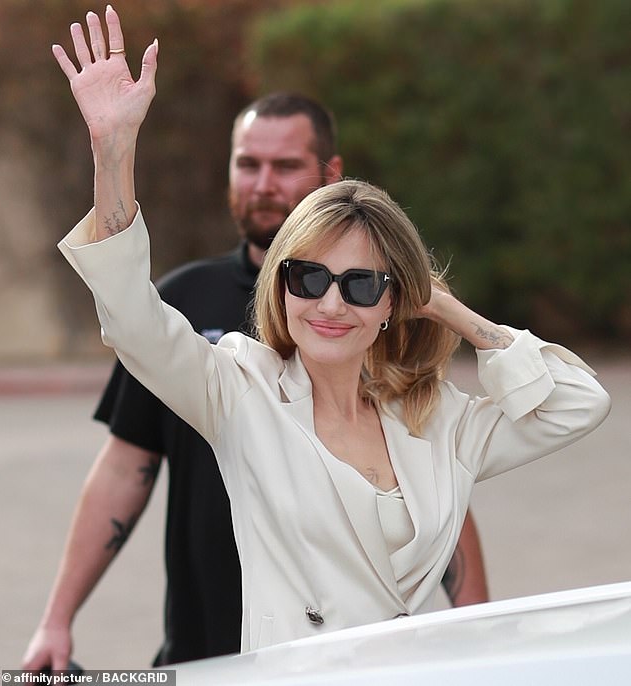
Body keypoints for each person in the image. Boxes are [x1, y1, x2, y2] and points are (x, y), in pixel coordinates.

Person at [51, 7, 610, 653]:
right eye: (309, 277)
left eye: (363, 284)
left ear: (392, 302)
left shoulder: (437, 421)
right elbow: (129, 314)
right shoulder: (241, 391)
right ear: (281, 285)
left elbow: (579, 405)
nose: (332, 304)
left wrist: (452, 312)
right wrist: (112, 148)